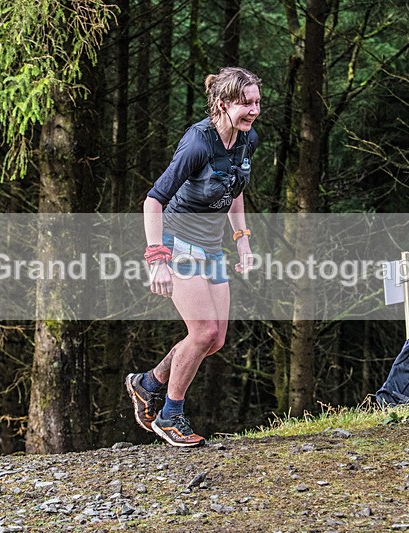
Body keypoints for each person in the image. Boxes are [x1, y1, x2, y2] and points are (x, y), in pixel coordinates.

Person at [125, 66, 261, 447]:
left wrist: (243, 240)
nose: (253, 111)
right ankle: (170, 415)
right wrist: (157, 259)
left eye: (257, 102)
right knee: (201, 332)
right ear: (222, 104)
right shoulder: (197, 144)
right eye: (245, 104)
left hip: (212, 246)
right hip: (177, 241)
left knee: (214, 339)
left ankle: (148, 383)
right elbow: (154, 200)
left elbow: (235, 186)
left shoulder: (247, 140)